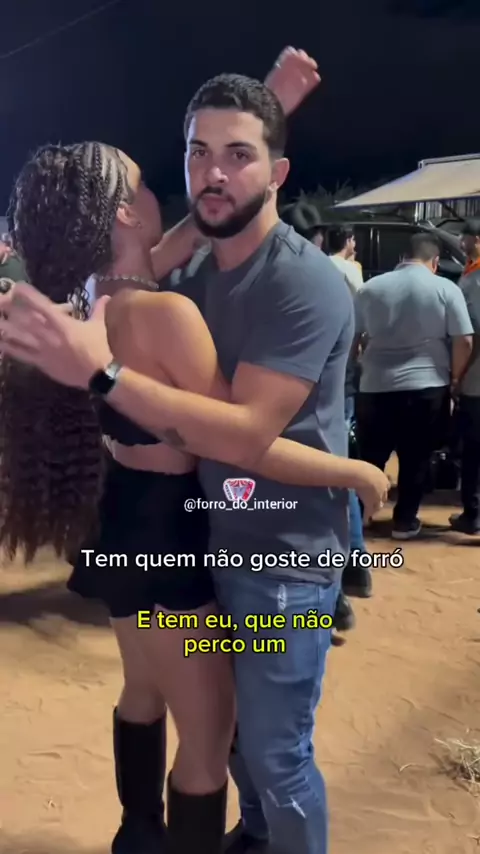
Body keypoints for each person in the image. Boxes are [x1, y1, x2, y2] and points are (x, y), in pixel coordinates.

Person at [0, 84, 389, 854]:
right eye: (150, 181)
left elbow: (178, 237)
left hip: (120, 524)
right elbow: (237, 441)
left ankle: (138, 835)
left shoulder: (92, 301)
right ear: (122, 213)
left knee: (142, 692)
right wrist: (353, 474)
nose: (170, 190)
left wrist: (260, 122)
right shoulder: (165, 312)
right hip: (176, 538)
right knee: (209, 746)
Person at [355, 233, 473, 540]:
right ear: (435, 261)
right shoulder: (445, 288)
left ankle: (359, 516)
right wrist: (455, 378)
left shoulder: (370, 288)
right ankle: (404, 522)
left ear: (401, 258)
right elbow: (464, 340)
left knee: (371, 456)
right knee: (416, 457)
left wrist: (358, 368)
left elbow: (351, 336)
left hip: (375, 385)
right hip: (427, 386)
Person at [450, 219, 480, 534]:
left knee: (474, 448)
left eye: (466, 237)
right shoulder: (471, 272)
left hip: (477, 380)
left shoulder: (477, 278)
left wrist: (460, 374)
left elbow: (476, 335)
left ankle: (473, 514)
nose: (461, 242)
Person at [325, 223, 363, 293]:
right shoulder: (351, 268)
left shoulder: (322, 262)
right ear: (348, 241)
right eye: (353, 240)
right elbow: (360, 294)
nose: (354, 243)